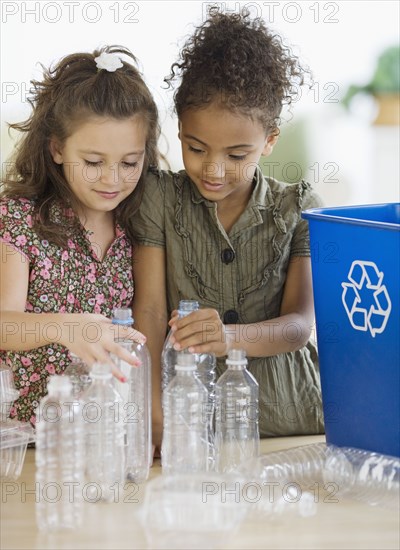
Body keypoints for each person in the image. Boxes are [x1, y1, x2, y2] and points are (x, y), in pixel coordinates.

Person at [131, 9, 325, 449]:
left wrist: (229, 337)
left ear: (270, 140)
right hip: (191, 424)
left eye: (238, 155)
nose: (214, 169)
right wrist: (156, 417)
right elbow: (150, 311)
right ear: (179, 129)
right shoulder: (159, 199)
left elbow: (298, 325)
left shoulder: (299, 208)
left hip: (295, 418)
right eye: (196, 148)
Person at [0, 45, 160, 424]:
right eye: (92, 162)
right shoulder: (21, 218)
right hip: (32, 440)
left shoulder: (140, 224)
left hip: (108, 435)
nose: (112, 178)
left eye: (129, 162)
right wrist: (67, 326)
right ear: (56, 148)